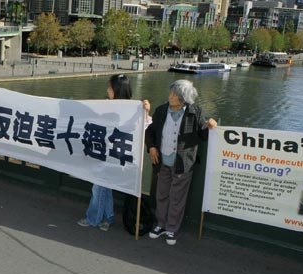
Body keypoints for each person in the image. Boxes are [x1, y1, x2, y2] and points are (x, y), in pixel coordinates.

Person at [145, 79, 217, 246]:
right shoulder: (161, 110)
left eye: (174, 94)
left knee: (177, 198)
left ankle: (172, 228)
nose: (170, 96)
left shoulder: (195, 112)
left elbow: (203, 135)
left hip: (183, 164)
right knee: (162, 194)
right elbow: (151, 131)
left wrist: (211, 126)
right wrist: (152, 147)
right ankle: (161, 224)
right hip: (162, 160)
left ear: (183, 98)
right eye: (171, 93)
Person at [77, 74, 151, 231]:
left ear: (117, 90)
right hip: (106, 153)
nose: (107, 90)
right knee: (105, 186)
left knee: (98, 187)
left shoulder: (133, 109)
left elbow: (142, 127)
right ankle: (107, 218)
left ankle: (93, 218)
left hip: (114, 156)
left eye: (110, 87)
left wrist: (145, 111)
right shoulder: (109, 105)